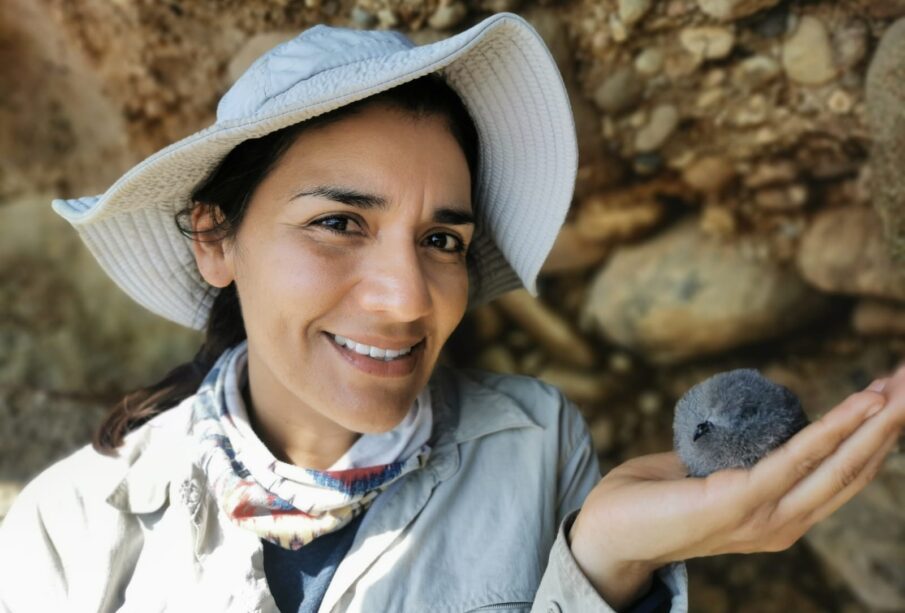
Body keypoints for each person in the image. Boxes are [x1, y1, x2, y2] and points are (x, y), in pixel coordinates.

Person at [1, 11, 903, 613]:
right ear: (213, 239)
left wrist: (605, 565)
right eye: (339, 223)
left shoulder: (541, 443)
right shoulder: (70, 531)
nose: (405, 300)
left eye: (442, 239)